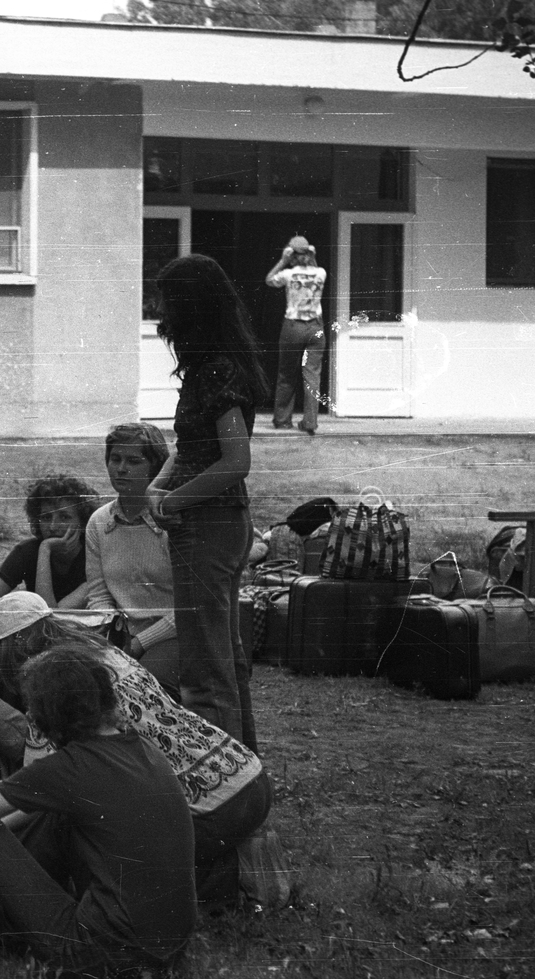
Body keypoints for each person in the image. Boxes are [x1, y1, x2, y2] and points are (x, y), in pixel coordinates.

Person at [0, 645, 195, 978]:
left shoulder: (70, 767)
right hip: (169, 945)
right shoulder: (143, 749)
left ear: (47, 716)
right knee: (40, 814)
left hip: (101, 954)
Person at [0, 595, 271, 910]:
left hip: (211, 812)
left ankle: (217, 882)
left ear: (17, 639)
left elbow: (32, 798)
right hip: (248, 778)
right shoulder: (106, 652)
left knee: (79, 820)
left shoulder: (52, 688)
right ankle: (225, 873)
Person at [149, 254, 266, 752]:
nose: (160, 315)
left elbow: (236, 460)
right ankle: (244, 765)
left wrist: (173, 500)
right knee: (224, 655)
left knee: (204, 663)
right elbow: (194, 448)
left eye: (167, 302)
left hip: (209, 525)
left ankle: (222, 784)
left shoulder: (217, 369)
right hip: (218, 522)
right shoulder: (212, 368)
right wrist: (158, 484)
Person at [81, 423, 178, 691]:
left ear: (155, 468)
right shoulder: (99, 522)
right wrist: (111, 637)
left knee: (141, 686)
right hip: (121, 635)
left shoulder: (171, 521)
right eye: (115, 458)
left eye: (134, 461)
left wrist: (138, 644)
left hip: (173, 635)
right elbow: (99, 596)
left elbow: (188, 606)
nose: (121, 468)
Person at [0, 475, 97, 635]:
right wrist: (18, 621)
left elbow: (51, 619)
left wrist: (45, 549)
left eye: (64, 517)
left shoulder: (94, 557)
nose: (53, 527)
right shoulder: (27, 551)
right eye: (46, 517)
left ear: (82, 523)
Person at [265, 235, 327, 436]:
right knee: (312, 376)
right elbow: (314, 267)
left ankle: (283, 420)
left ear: (291, 254)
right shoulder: (321, 273)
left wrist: (283, 260)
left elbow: (269, 280)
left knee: (287, 374)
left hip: (293, 327)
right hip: (315, 328)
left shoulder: (288, 275)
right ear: (310, 253)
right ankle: (310, 421)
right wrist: (312, 254)